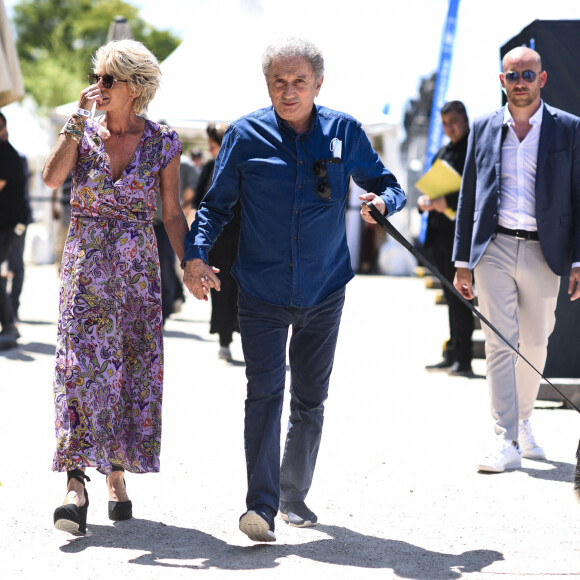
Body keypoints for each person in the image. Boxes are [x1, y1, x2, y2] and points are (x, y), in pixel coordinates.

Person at [182, 37, 406, 542]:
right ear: (267, 85)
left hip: (326, 290)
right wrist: (195, 255)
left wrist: (383, 203)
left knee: (310, 398)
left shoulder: (344, 130)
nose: (289, 91)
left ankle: (292, 495)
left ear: (318, 83)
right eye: (278, 82)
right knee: (264, 393)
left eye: (299, 81)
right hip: (259, 289)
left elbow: (390, 183)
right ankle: (259, 506)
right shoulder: (245, 134)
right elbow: (215, 206)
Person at [42, 39, 188, 536]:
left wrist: (190, 263)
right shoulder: (82, 133)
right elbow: (50, 178)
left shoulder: (164, 141)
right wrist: (74, 121)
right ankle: (75, 484)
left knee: (129, 369)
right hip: (85, 272)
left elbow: (171, 213)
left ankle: (117, 476)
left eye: (109, 80)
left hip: (137, 273)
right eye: (97, 77)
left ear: (136, 87)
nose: (98, 87)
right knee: (81, 371)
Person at [452, 47, 580, 473]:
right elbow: (469, 196)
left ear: (541, 79)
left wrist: (578, 260)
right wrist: (461, 261)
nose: (520, 81)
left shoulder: (569, 129)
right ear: (501, 80)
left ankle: (525, 420)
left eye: (528, 74)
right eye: (512, 75)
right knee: (499, 342)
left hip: (547, 249)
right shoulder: (483, 128)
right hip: (495, 247)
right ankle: (504, 437)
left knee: (537, 340)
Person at [418, 101, 473, 376]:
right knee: (450, 298)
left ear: (465, 119)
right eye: (444, 123)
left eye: (453, 121)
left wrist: (446, 201)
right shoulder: (444, 150)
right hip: (440, 235)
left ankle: (463, 360)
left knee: (460, 298)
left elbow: (476, 191)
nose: (449, 127)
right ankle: (452, 353)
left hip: (460, 238)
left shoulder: (473, 149)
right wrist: (426, 201)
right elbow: (432, 182)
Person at [192, 123, 241, 361]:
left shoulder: (243, 168)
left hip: (244, 241)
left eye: (214, 146)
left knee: (243, 291)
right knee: (220, 289)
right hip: (218, 242)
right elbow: (198, 204)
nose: (212, 152)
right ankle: (224, 338)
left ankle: (244, 337)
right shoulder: (211, 167)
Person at [0, 112, 28, 349]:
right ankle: (9, 321)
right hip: (6, 223)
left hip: (13, 224)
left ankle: (10, 321)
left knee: (14, 267)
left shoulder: (7, 154)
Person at [1, 151, 32, 323]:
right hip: (7, 222)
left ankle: (11, 312)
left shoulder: (14, 157)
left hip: (17, 223)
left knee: (16, 264)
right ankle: (8, 314)